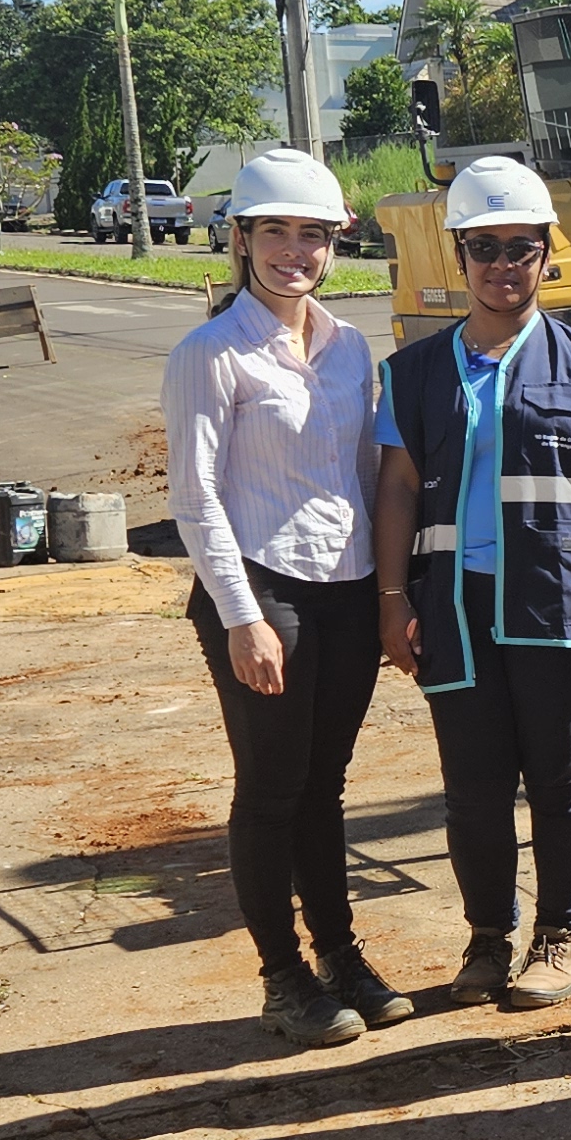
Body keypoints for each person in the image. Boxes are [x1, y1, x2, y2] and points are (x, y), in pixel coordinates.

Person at [371, 155, 571, 1008]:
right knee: (474, 787)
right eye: (483, 247)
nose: (501, 265)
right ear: (460, 255)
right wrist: (390, 600)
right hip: (453, 606)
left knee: (561, 781)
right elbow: (398, 489)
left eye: (519, 248)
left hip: (555, 603)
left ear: (545, 254)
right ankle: (488, 939)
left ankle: (556, 938)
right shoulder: (413, 373)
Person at [163, 148, 402, 1047]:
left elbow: (370, 477)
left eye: (312, 234)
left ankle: (341, 954)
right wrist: (242, 615)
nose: (294, 252)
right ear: (241, 239)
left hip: (341, 591)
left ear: (334, 244)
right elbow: (194, 497)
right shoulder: (211, 354)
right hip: (262, 589)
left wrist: (387, 593)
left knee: (325, 788)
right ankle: (282, 974)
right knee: (270, 789)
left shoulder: (349, 352)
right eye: (276, 233)